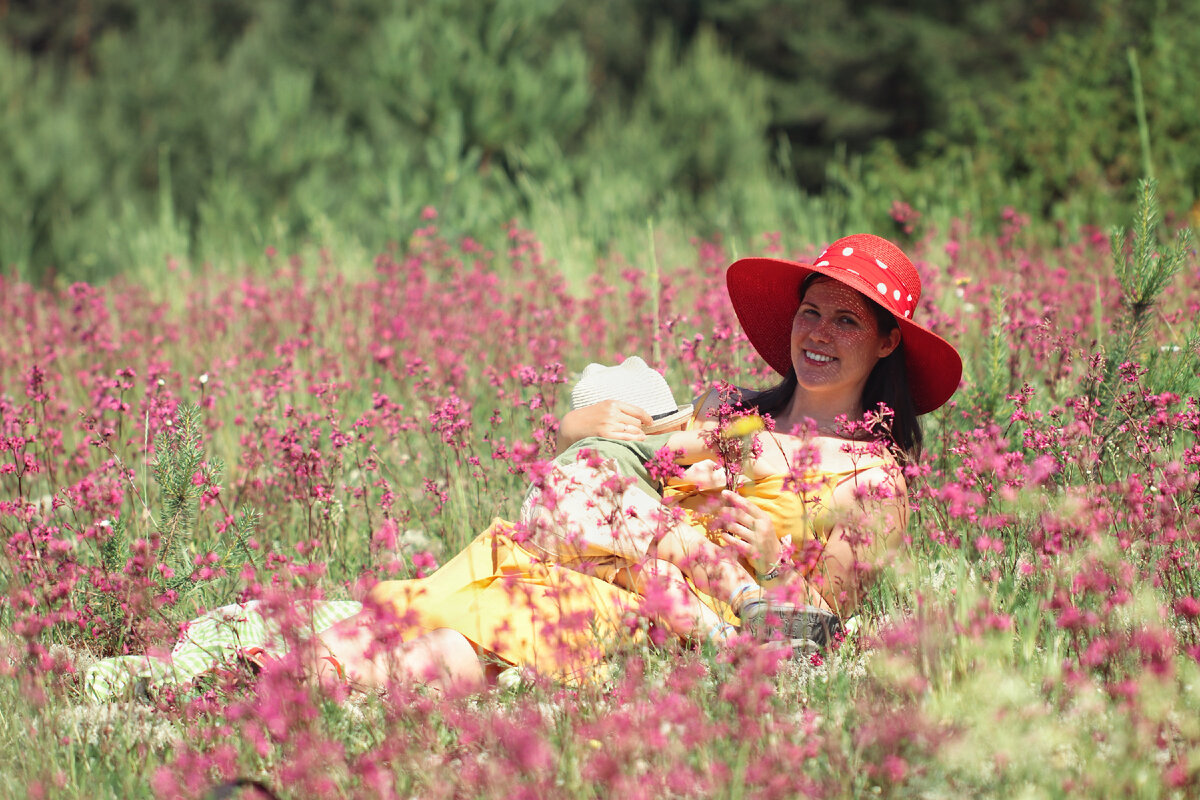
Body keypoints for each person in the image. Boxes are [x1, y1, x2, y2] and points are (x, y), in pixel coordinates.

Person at [313, 233, 962, 694]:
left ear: (887, 341)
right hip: (594, 555)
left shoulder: (871, 479)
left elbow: (826, 622)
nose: (818, 333)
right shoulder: (724, 407)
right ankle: (261, 676)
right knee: (411, 617)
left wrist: (768, 551)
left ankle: (295, 684)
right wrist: (578, 424)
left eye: (845, 320)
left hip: (675, 610)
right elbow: (602, 456)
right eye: (810, 311)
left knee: (468, 636)